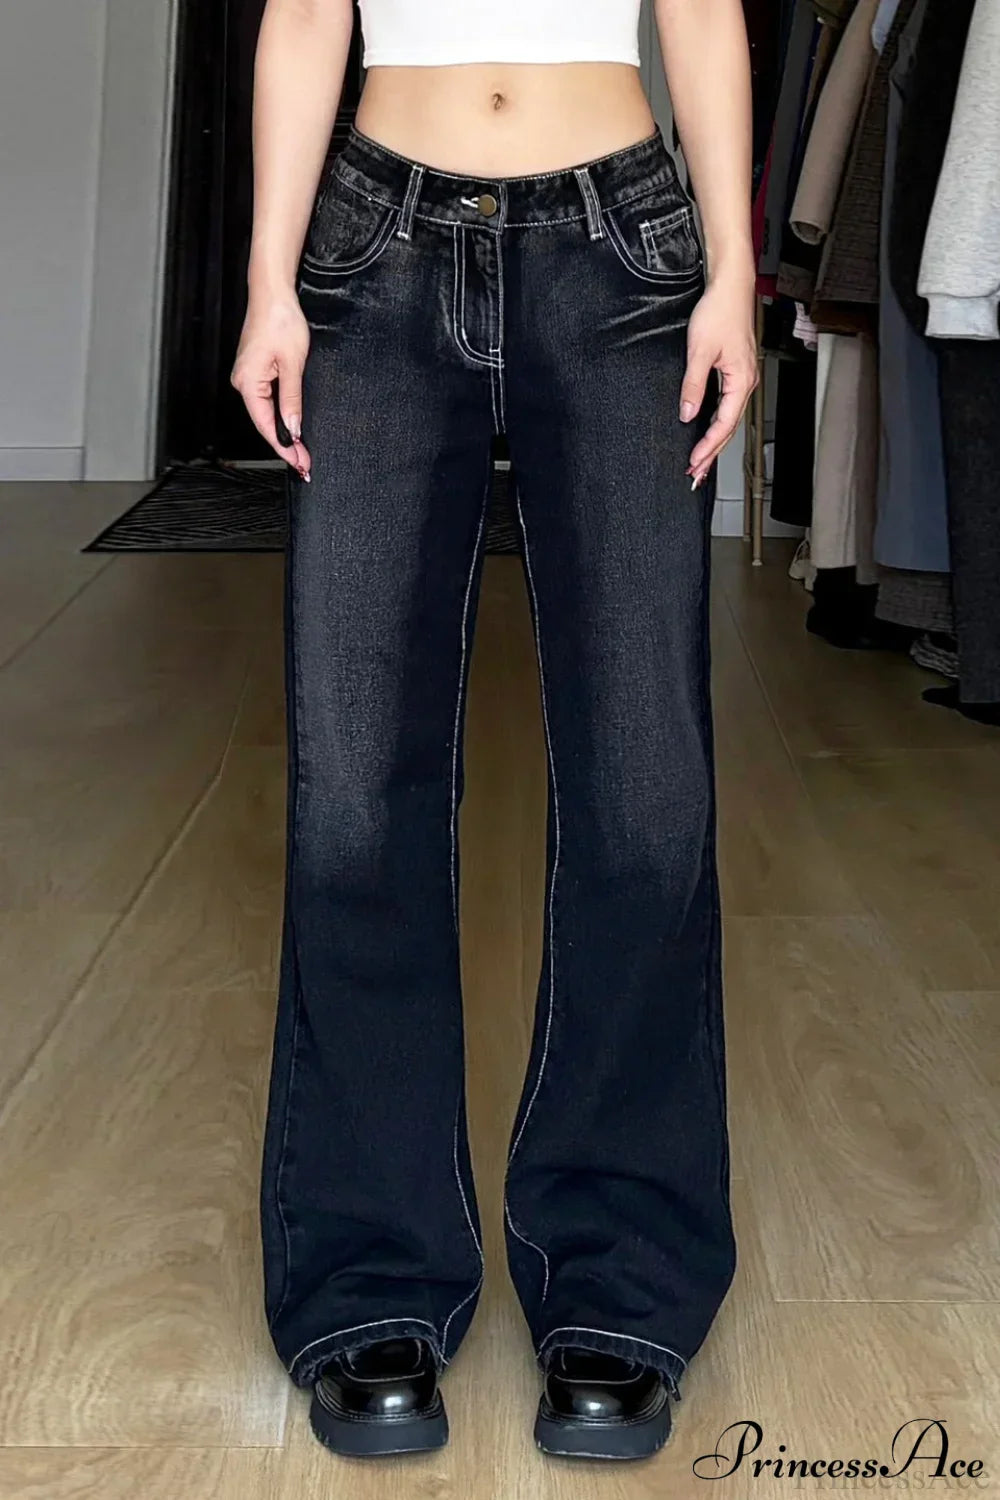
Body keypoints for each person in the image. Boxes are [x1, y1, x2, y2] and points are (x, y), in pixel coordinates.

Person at [231, 0, 757, 1464]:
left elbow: (703, 15)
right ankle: (368, 1275)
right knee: (355, 798)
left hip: (624, 251)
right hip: (373, 250)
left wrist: (733, 269)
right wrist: (271, 280)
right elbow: (303, 17)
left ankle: (621, 1277)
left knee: (646, 796)